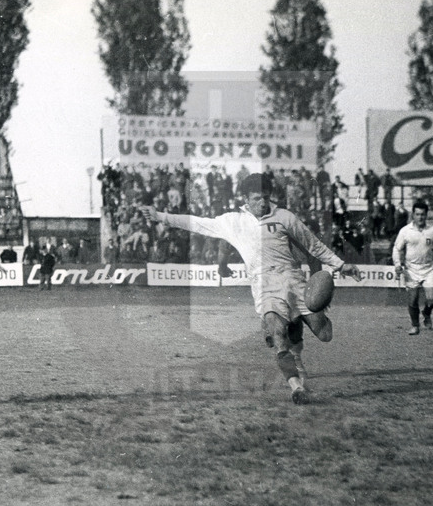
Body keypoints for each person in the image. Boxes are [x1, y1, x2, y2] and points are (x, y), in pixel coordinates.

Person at [140, 173, 361, 405]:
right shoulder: (233, 222)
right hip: (264, 285)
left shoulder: (284, 217)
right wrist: (160, 216)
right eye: (257, 198)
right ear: (246, 199)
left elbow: (313, 245)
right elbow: (196, 223)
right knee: (278, 335)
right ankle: (296, 387)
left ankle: (297, 338)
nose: (262, 202)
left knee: (325, 334)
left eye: (266, 197)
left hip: (293, 279)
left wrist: (341, 265)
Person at [393, 200, 433, 335]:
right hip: (411, 269)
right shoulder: (405, 231)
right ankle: (415, 326)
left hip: (428, 269)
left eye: (423, 214)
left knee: (432, 300)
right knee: (413, 299)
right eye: (417, 214)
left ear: (426, 215)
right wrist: (397, 264)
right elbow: (397, 249)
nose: (420, 217)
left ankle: (427, 312)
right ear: (413, 215)